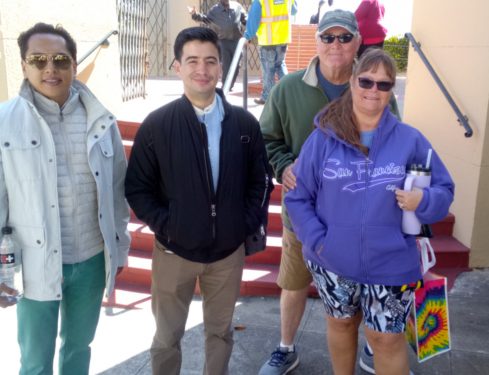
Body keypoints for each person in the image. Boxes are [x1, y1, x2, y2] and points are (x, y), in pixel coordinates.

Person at [285, 48, 455, 375]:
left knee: (386, 339)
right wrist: (320, 241)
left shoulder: (411, 140)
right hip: (332, 261)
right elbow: (298, 197)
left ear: (392, 90)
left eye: (383, 84)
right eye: (366, 81)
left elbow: (444, 191)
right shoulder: (322, 139)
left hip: (393, 260)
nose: (373, 91)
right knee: (341, 325)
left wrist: (424, 202)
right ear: (352, 81)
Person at [257, 10, 399, 375]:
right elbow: (267, 138)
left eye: (344, 37)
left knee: (367, 286)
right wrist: (284, 165)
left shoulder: (372, 86)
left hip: (361, 218)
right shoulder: (288, 88)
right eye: (328, 37)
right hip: (303, 216)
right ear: (316, 41)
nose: (336, 45)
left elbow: (396, 142)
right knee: (294, 283)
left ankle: (370, 348)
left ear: (357, 44)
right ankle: (286, 348)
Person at [124, 26, 272, 375]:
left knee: (220, 334)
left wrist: (243, 223)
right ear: (177, 66)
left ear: (221, 67)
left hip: (226, 255)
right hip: (174, 252)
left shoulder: (245, 124)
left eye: (210, 61)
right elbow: (137, 188)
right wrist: (169, 224)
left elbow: (261, 181)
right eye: (192, 61)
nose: (201, 70)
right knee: (166, 336)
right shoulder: (157, 125)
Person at [0, 23, 130, 374]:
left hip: (89, 260)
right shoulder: (4, 123)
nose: (50, 69)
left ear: (73, 64)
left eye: (59, 60)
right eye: (38, 60)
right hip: (35, 264)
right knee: (35, 359)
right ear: (24, 66)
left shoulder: (100, 120)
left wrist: (119, 246)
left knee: (78, 349)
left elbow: (117, 191)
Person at [244, 0, 295, 105]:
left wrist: (248, 36)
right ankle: (288, 94)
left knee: (268, 69)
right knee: (280, 65)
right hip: (283, 38)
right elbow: (294, 10)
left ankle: (268, 97)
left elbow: (254, 19)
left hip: (268, 39)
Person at [188, 0, 247, 91]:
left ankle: (229, 84)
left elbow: (245, 19)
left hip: (236, 41)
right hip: (223, 42)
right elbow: (205, 19)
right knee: (226, 65)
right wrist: (194, 14)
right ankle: (226, 86)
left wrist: (251, 27)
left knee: (236, 65)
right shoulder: (215, 10)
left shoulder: (237, 6)